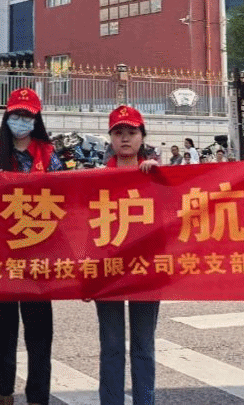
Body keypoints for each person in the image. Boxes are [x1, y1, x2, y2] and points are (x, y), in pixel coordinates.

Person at [0, 87, 64, 405]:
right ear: (7, 117)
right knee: (2, 335)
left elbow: (66, 203)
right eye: (16, 114)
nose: (21, 120)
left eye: (27, 115)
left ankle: (38, 398)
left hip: (38, 262)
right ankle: (4, 394)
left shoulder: (50, 158)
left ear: (37, 119)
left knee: (39, 338)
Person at [96, 105, 161, 405]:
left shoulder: (156, 175)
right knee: (111, 346)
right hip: (108, 272)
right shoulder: (95, 179)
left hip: (147, 271)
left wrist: (160, 179)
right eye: (118, 132)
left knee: (144, 346)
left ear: (142, 136)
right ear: (110, 138)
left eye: (132, 132)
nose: (125, 138)